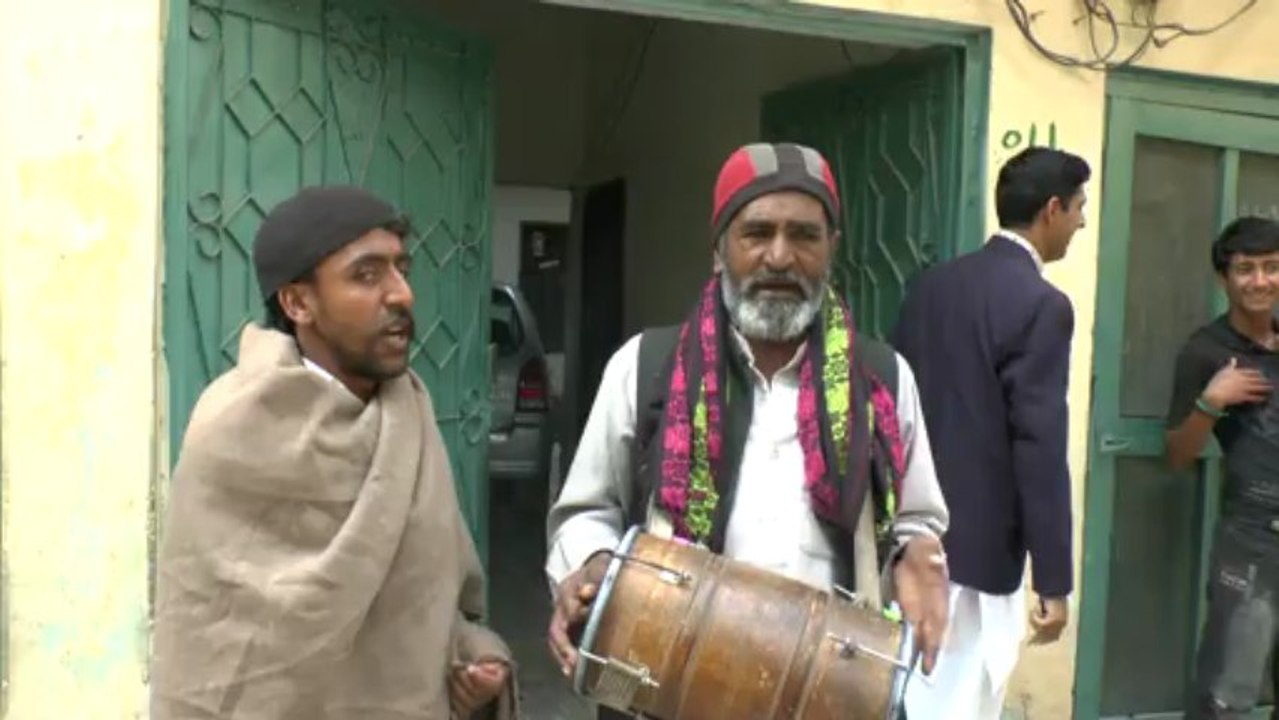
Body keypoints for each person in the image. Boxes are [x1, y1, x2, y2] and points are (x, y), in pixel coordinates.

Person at [545, 142, 951, 716]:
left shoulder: (881, 377)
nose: (780, 258)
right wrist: (590, 567)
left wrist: (919, 552)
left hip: (828, 694)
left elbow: (917, 516)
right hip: (669, 684)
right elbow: (586, 511)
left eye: (804, 235)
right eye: (757, 233)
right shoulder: (645, 367)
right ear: (719, 250)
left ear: (831, 248)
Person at [150, 186, 515, 720]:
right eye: (367, 275)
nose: (402, 294)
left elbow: (429, 604)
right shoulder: (234, 430)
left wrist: (475, 662)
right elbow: (214, 647)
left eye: (401, 269)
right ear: (298, 303)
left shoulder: (409, 414)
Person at [892, 146, 1090, 719]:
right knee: (960, 702)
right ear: (1051, 209)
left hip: (910, 538)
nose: (1080, 222)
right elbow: (1039, 445)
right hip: (979, 557)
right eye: (1078, 208)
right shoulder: (1043, 305)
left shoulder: (930, 287)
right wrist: (1053, 580)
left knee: (905, 694)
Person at [1165, 217, 1279, 718]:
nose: (1260, 281)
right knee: (1227, 696)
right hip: (1252, 539)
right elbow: (1177, 455)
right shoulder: (1205, 351)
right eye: (1246, 269)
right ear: (1223, 278)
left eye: (1272, 268)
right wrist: (1212, 402)